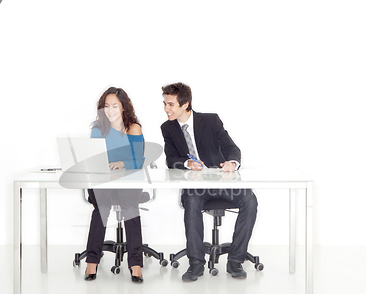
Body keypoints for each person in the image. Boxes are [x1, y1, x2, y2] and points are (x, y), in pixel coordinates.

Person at [160, 82, 258, 281]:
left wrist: (232, 163)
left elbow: (232, 147)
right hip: (196, 184)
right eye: (165, 104)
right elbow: (170, 159)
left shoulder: (211, 121)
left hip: (221, 180)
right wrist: (187, 163)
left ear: (185, 104)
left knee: (250, 200)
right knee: (193, 201)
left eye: (171, 104)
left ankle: (235, 260)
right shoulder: (168, 128)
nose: (166, 109)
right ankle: (196, 263)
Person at [84, 87, 145, 283]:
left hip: (128, 182)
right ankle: (91, 261)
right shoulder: (97, 129)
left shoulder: (133, 128)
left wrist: (122, 164)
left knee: (130, 208)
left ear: (123, 108)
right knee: (101, 208)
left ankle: (135, 265)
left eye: (114, 106)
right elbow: (93, 158)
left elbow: (139, 161)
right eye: (106, 106)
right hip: (103, 182)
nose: (110, 110)